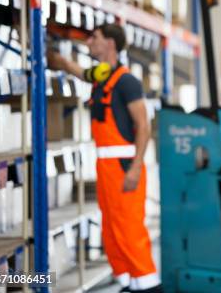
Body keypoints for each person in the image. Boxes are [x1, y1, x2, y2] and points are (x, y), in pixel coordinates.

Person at [48, 24, 162, 293]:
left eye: (95, 38)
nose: (89, 42)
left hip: (124, 167)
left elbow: (143, 127)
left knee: (130, 231)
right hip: (105, 167)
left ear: (110, 43)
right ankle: (127, 283)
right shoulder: (102, 76)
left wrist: (135, 169)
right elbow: (79, 71)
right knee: (111, 232)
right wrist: (59, 61)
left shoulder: (127, 82)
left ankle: (149, 286)